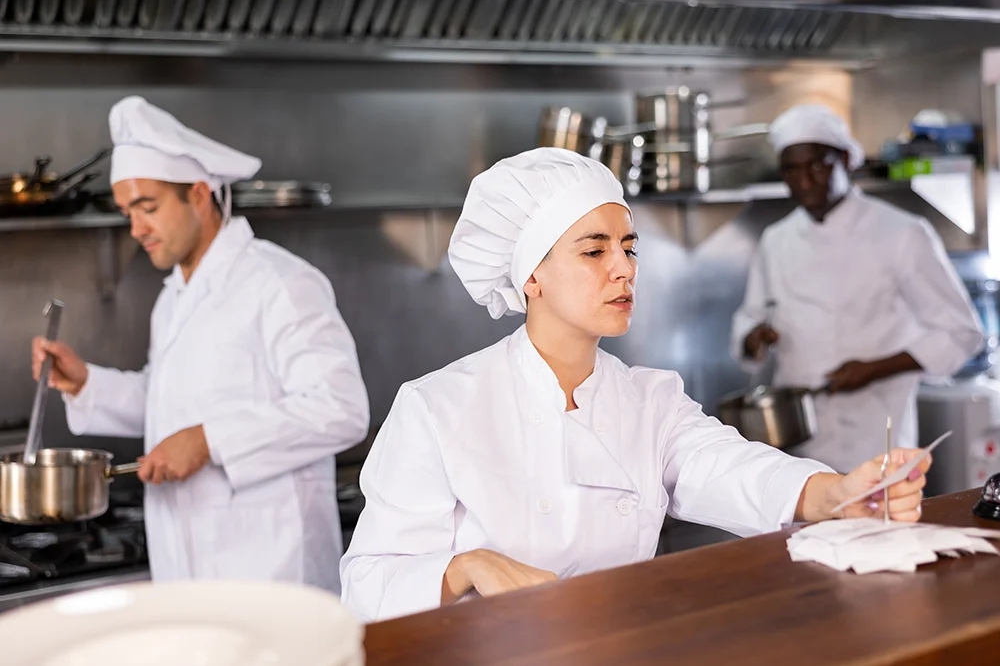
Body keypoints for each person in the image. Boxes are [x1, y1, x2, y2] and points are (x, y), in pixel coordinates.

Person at [339, 147, 930, 623]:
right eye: (594, 250)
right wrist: (466, 567)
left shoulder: (651, 398)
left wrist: (838, 493)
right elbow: (366, 585)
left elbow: (730, 466)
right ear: (531, 277)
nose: (623, 268)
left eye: (627, 247)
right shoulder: (438, 406)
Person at [32, 96, 370, 594]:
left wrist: (209, 441)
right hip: (186, 563)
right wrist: (88, 384)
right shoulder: (173, 298)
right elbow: (173, 404)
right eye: (128, 212)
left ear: (198, 194)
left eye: (147, 207)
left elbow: (341, 409)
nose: (135, 228)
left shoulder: (277, 282)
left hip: (272, 573)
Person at [731, 104, 984, 472]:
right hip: (797, 443)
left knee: (876, 525)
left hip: (876, 436)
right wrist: (753, 337)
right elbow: (751, 316)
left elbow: (961, 333)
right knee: (805, 528)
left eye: (818, 165)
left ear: (846, 160)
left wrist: (874, 369)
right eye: (792, 169)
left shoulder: (901, 233)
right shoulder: (777, 239)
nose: (805, 180)